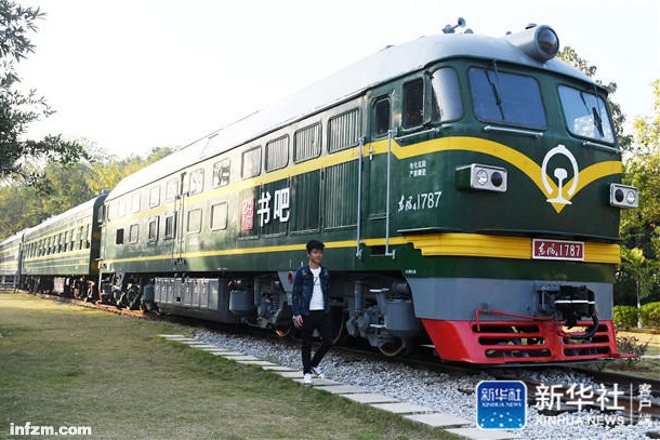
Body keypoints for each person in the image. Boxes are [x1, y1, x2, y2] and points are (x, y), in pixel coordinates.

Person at [291, 239, 332, 385]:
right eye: (315, 252)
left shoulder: (325, 272)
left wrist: (327, 309)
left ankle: (314, 364)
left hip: (322, 311)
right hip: (307, 313)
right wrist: (297, 313)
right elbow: (295, 294)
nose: (318, 255)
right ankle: (306, 372)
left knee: (328, 340)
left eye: (320, 252)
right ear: (309, 254)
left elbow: (327, 292)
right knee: (306, 343)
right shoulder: (301, 273)